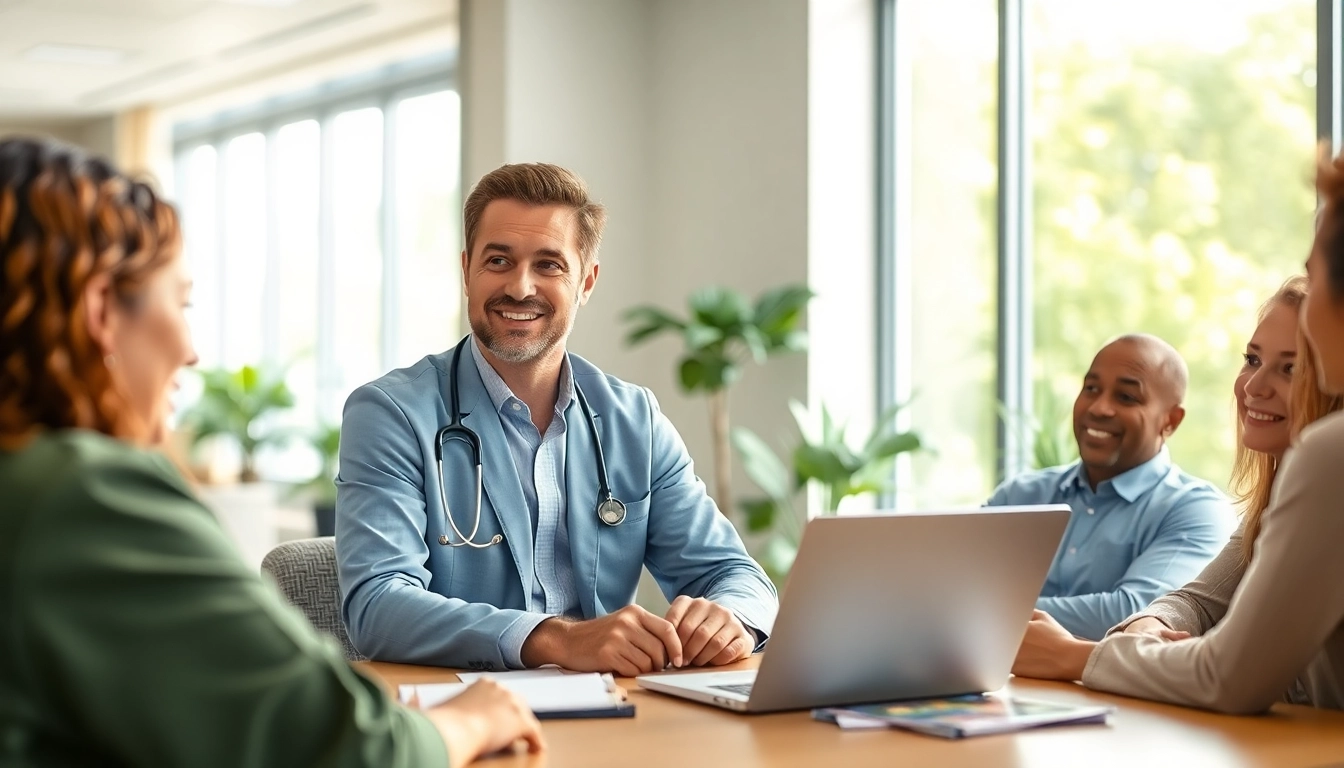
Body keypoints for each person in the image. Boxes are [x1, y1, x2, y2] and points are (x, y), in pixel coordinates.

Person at [0, 137, 543, 766]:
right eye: (180, 302)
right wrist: (472, 721)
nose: (191, 350)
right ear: (100, 311)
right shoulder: (85, 498)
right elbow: (345, 748)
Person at [336, 162, 777, 676]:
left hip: (615, 714)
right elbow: (377, 604)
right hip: (465, 715)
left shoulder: (634, 419)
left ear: (586, 281)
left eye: (549, 265)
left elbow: (732, 573)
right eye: (498, 260)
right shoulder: (391, 414)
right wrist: (555, 640)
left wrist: (729, 619)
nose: (520, 287)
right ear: (466, 272)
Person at [1011, 147, 1344, 713]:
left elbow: (1229, 676)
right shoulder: (1278, 495)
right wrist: (1147, 626)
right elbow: (1195, 601)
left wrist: (1073, 655)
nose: (1253, 387)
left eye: (1290, 367)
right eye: (1252, 359)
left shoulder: (1329, 459)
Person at [986, 334, 1235, 640]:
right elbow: (945, 589)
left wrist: (982, 611)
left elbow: (1134, 613)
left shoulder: (1196, 510)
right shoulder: (1020, 496)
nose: (1100, 408)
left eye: (1126, 397)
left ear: (1170, 420)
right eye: (1091, 389)